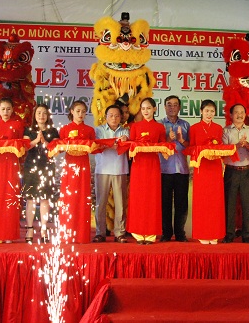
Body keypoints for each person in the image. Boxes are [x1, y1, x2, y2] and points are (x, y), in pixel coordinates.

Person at [0, 98, 25, 244]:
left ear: (12, 110)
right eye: (3, 109)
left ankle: (9, 234)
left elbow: (21, 145)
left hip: (11, 164)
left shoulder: (17, 125)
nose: (6, 112)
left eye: (8, 109)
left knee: (10, 196)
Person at [127, 97, 167, 244]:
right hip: (138, 165)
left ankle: (150, 234)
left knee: (152, 197)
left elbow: (163, 145)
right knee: (138, 197)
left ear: (154, 109)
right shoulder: (135, 126)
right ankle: (138, 233)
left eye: (148, 108)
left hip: (153, 165)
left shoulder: (160, 127)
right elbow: (131, 146)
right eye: (143, 108)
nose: (146, 111)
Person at [188, 100, 226, 244]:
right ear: (201, 112)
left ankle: (215, 233)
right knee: (202, 201)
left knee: (215, 201)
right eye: (206, 111)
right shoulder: (194, 128)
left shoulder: (218, 128)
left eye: (212, 111)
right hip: (201, 168)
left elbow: (221, 148)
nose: (209, 114)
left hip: (215, 168)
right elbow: (191, 148)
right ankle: (202, 233)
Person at [58, 100, 96, 244]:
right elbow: (59, 147)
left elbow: (95, 148)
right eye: (78, 111)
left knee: (82, 197)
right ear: (72, 112)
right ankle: (67, 233)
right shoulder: (65, 129)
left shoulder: (89, 130)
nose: (80, 114)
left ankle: (82, 235)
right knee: (69, 198)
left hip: (84, 165)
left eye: (83, 112)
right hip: (69, 165)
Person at [222, 104, 249, 243]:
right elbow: (223, 150)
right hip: (231, 171)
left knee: (247, 203)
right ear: (231, 115)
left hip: (247, 171)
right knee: (230, 203)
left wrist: (248, 146)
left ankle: (247, 234)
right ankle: (229, 234)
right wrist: (236, 146)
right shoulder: (225, 131)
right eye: (236, 112)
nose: (239, 115)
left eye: (242, 112)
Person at [23, 104, 60, 244]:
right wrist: (36, 141)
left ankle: (44, 229)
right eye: (39, 113)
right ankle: (30, 229)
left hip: (47, 166)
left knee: (45, 199)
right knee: (31, 199)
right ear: (34, 115)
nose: (41, 116)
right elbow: (25, 147)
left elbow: (55, 150)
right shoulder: (29, 130)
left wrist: (44, 141)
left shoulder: (53, 131)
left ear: (48, 115)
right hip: (31, 166)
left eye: (44, 113)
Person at [93, 104, 129, 243]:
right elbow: (96, 145)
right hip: (102, 169)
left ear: (121, 117)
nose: (114, 118)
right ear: (106, 117)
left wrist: (124, 141)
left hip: (120, 169)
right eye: (111, 115)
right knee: (100, 203)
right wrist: (110, 144)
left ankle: (120, 233)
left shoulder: (125, 132)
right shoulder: (99, 130)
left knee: (121, 203)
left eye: (117, 116)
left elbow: (129, 146)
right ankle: (100, 233)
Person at [160, 95, 190, 242]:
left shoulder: (186, 125)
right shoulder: (159, 125)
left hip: (182, 169)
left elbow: (191, 146)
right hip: (164, 170)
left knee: (181, 204)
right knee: (165, 203)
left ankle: (180, 233)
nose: (172, 107)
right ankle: (166, 233)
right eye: (169, 104)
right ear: (164, 107)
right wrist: (167, 140)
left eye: (175, 105)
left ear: (179, 107)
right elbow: (156, 146)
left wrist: (181, 140)